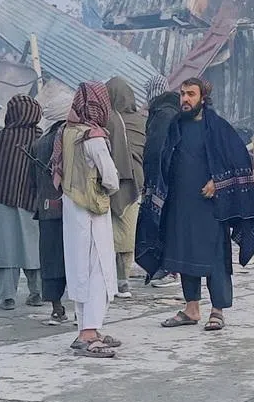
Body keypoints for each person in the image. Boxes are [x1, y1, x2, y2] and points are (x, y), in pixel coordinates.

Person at [136, 77, 254, 331]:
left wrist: (218, 182)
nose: (185, 99)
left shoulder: (218, 128)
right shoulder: (175, 126)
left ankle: (217, 310)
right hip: (180, 205)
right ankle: (191, 309)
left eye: (191, 94)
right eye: (183, 94)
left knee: (216, 259)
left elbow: (239, 162)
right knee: (184, 255)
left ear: (203, 98)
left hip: (211, 208)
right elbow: (161, 159)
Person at [54, 82, 121, 358]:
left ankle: (85, 327)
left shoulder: (66, 132)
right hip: (93, 211)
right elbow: (111, 178)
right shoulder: (93, 138)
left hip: (72, 210)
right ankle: (89, 334)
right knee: (98, 270)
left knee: (79, 270)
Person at [0, 94, 44, 310]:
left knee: (6, 249)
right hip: (32, 202)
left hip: (4, 200)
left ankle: (7, 297)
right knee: (33, 249)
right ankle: (37, 293)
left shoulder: (4, 136)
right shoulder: (40, 137)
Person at [105, 76, 146, 298]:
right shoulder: (141, 121)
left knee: (110, 232)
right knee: (128, 232)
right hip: (136, 183)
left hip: (110, 182)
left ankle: (112, 279)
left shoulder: (106, 121)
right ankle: (123, 280)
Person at [142, 74, 181, 288]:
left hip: (163, 178)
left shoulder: (163, 114)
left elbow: (156, 150)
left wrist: (153, 179)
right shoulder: (168, 111)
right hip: (170, 176)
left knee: (164, 222)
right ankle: (165, 267)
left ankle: (170, 270)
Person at [32, 117, 69, 325]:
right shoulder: (71, 138)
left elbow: (31, 180)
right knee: (76, 261)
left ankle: (56, 307)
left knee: (51, 259)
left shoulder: (39, 143)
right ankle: (82, 311)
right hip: (72, 209)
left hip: (46, 209)